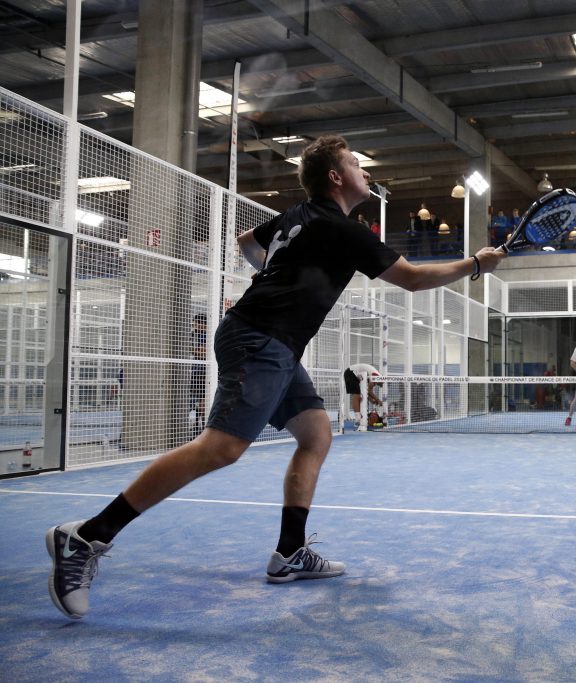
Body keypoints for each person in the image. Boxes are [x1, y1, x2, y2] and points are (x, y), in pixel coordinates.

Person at [44, 134, 506, 620]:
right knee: (222, 447)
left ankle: (289, 553)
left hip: (275, 342)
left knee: (315, 434)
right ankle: (87, 537)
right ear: (336, 177)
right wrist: (476, 263)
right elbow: (412, 279)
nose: (365, 173)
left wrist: (274, 276)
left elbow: (248, 243)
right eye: (356, 164)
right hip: (260, 338)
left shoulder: (298, 217)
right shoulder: (343, 229)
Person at [344, 363, 382, 431]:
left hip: (353, 374)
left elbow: (366, 391)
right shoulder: (376, 376)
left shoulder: (375, 378)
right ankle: (358, 418)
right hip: (351, 373)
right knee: (357, 395)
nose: (381, 386)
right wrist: (377, 399)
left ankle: (358, 418)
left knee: (359, 395)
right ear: (381, 380)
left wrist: (372, 400)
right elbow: (369, 390)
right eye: (382, 384)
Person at [188, 313, 208, 437]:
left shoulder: (206, 335)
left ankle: (203, 427)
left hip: (204, 371)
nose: (195, 325)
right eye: (194, 323)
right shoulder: (193, 335)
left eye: (198, 323)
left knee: (202, 400)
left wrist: (189, 349)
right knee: (198, 400)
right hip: (195, 371)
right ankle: (198, 427)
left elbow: (203, 352)